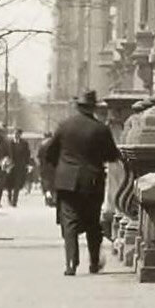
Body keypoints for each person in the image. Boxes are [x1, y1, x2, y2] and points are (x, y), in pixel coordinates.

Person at [44, 89, 120, 275]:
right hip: (92, 181)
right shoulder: (101, 129)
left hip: (66, 182)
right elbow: (112, 155)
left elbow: (49, 153)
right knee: (93, 222)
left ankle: (71, 263)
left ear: (78, 106)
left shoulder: (64, 126)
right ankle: (93, 262)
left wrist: (61, 167)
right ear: (94, 107)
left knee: (69, 222)